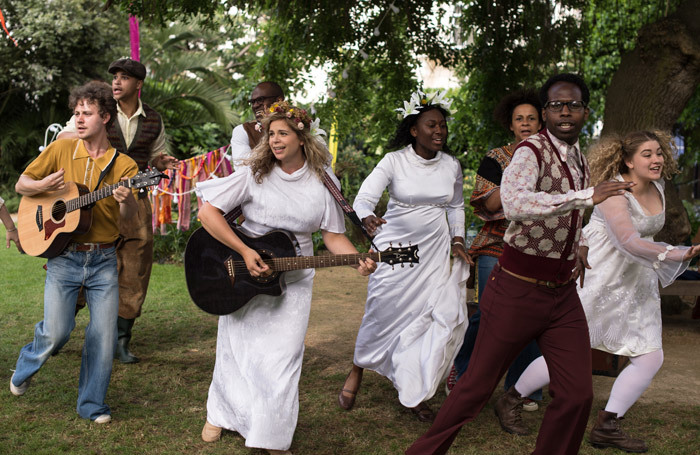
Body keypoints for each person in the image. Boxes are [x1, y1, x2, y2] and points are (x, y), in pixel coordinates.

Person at [405, 73, 634, 455]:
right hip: (517, 287)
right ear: (545, 112)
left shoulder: (578, 156)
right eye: (556, 104)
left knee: (578, 394)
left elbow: (572, 211)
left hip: (562, 295)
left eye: (573, 105)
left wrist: (577, 242)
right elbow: (514, 204)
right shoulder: (531, 151)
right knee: (476, 388)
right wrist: (585, 196)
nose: (565, 111)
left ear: (585, 112)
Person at [195, 101, 376, 455]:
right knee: (237, 351)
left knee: (283, 358)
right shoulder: (254, 173)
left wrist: (356, 259)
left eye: (283, 133)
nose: (275, 140)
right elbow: (208, 214)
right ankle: (221, 413)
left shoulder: (323, 181)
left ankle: (272, 438)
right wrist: (246, 252)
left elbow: (332, 236)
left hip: (294, 280)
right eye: (271, 134)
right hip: (243, 269)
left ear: (301, 136)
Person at [511, 130, 700, 453]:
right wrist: (680, 253)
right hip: (598, 275)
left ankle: (607, 425)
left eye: (659, 153)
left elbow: (643, 242)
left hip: (636, 278)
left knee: (650, 356)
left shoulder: (659, 186)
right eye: (647, 154)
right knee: (573, 351)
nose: (656, 160)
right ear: (628, 161)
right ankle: (512, 399)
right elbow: (627, 240)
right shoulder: (614, 191)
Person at [338, 90, 471, 422]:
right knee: (381, 311)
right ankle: (358, 367)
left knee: (424, 318)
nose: (439, 131)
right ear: (414, 129)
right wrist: (367, 217)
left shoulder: (451, 164)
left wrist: (457, 239)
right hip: (395, 250)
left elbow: (455, 206)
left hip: (434, 251)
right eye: (431, 125)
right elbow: (363, 199)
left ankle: (413, 390)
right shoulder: (394, 161)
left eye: (442, 125)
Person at [9, 81, 138, 423]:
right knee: (57, 332)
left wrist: (125, 203)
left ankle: (92, 404)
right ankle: (25, 366)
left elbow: (130, 220)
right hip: (63, 257)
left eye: (87, 113)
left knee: (102, 336)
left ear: (105, 117)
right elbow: (22, 184)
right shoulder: (62, 149)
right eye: (76, 112)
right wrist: (42, 186)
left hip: (104, 260)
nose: (78, 119)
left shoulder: (124, 166)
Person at [58, 58, 179, 364]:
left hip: (134, 197)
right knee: (85, 260)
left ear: (138, 85)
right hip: (93, 198)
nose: (116, 82)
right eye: (114, 77)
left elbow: (154, 157)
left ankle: (120, 340)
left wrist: (163, 163)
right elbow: (64, 137)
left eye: (124, 78)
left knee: (135, 266)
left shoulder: (153, 118)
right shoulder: (97, 109)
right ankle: (58, 329)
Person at [448, 89, 544, 411]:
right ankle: (461, 371)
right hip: (496, 245)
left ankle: (522, 388)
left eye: (531, 117)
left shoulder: (554, 158)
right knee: (490, 313)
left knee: (531, 318)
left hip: (537, 247)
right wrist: (518, 172)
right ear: (511, 125)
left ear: (541, 120)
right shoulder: (496, 158)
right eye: (520, 119)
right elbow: (488, 202)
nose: (526, 123)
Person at [230, 81, 285, 170]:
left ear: (279, 100)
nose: (255, 106)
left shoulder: (298, 125)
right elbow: (243, 169)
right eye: (252, 102)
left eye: (260, 100)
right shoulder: (243, 131)